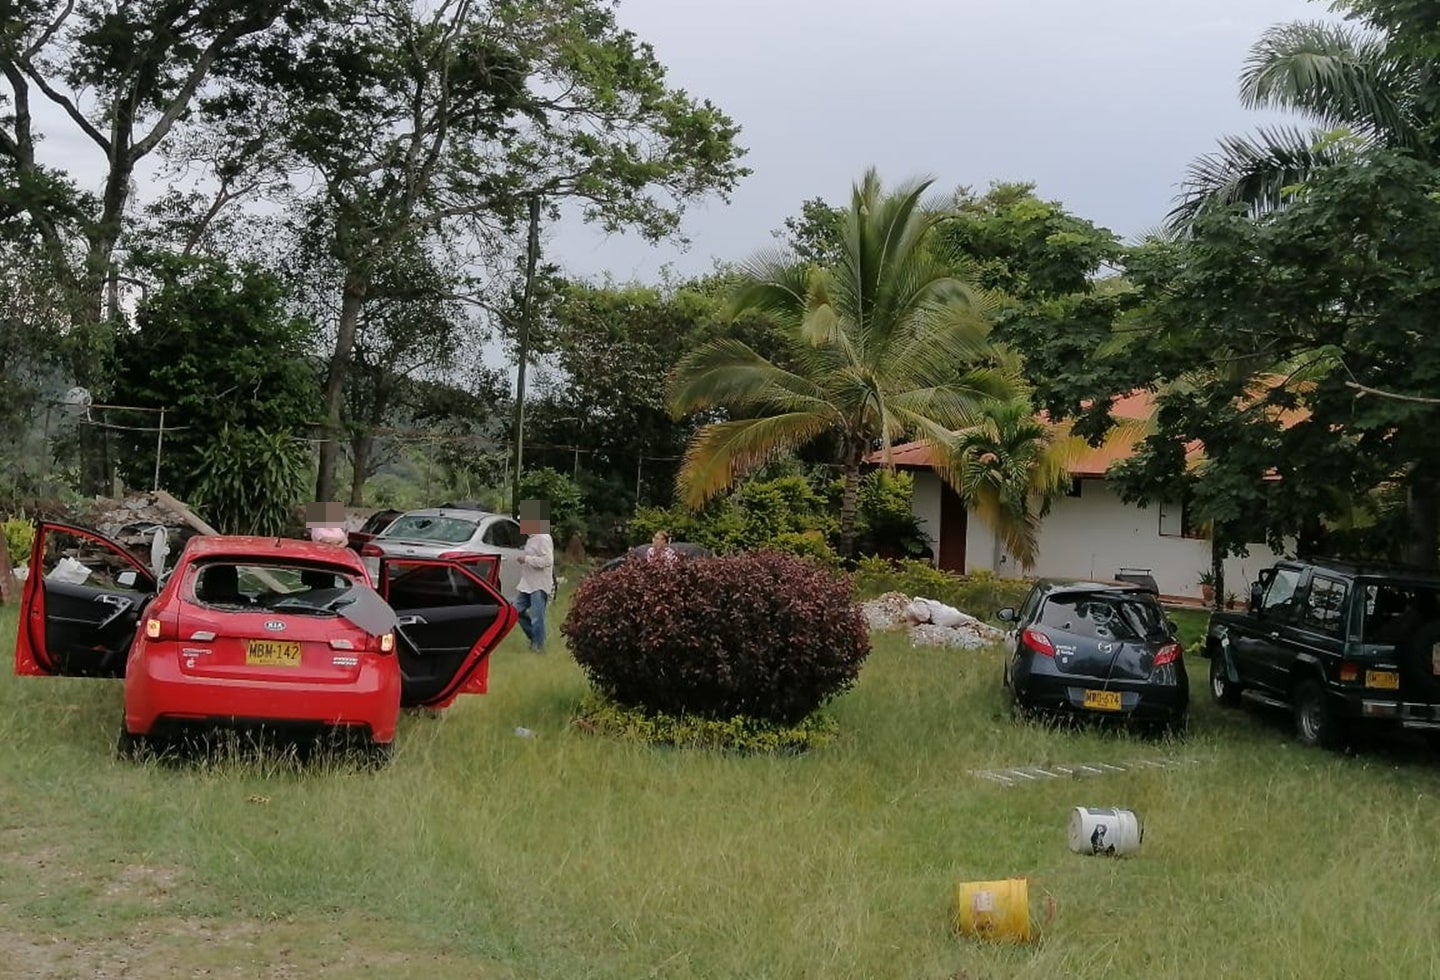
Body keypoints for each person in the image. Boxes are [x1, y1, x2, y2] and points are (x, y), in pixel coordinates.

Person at [514, 502, 555, 653]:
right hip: (527, 583)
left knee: (538, 617)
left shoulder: (543, 537)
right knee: (515, 611)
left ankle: (539, 646)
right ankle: (534, 638)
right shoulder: (531, 538)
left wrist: (527, 559)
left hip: (539, 585)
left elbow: (547, 561)